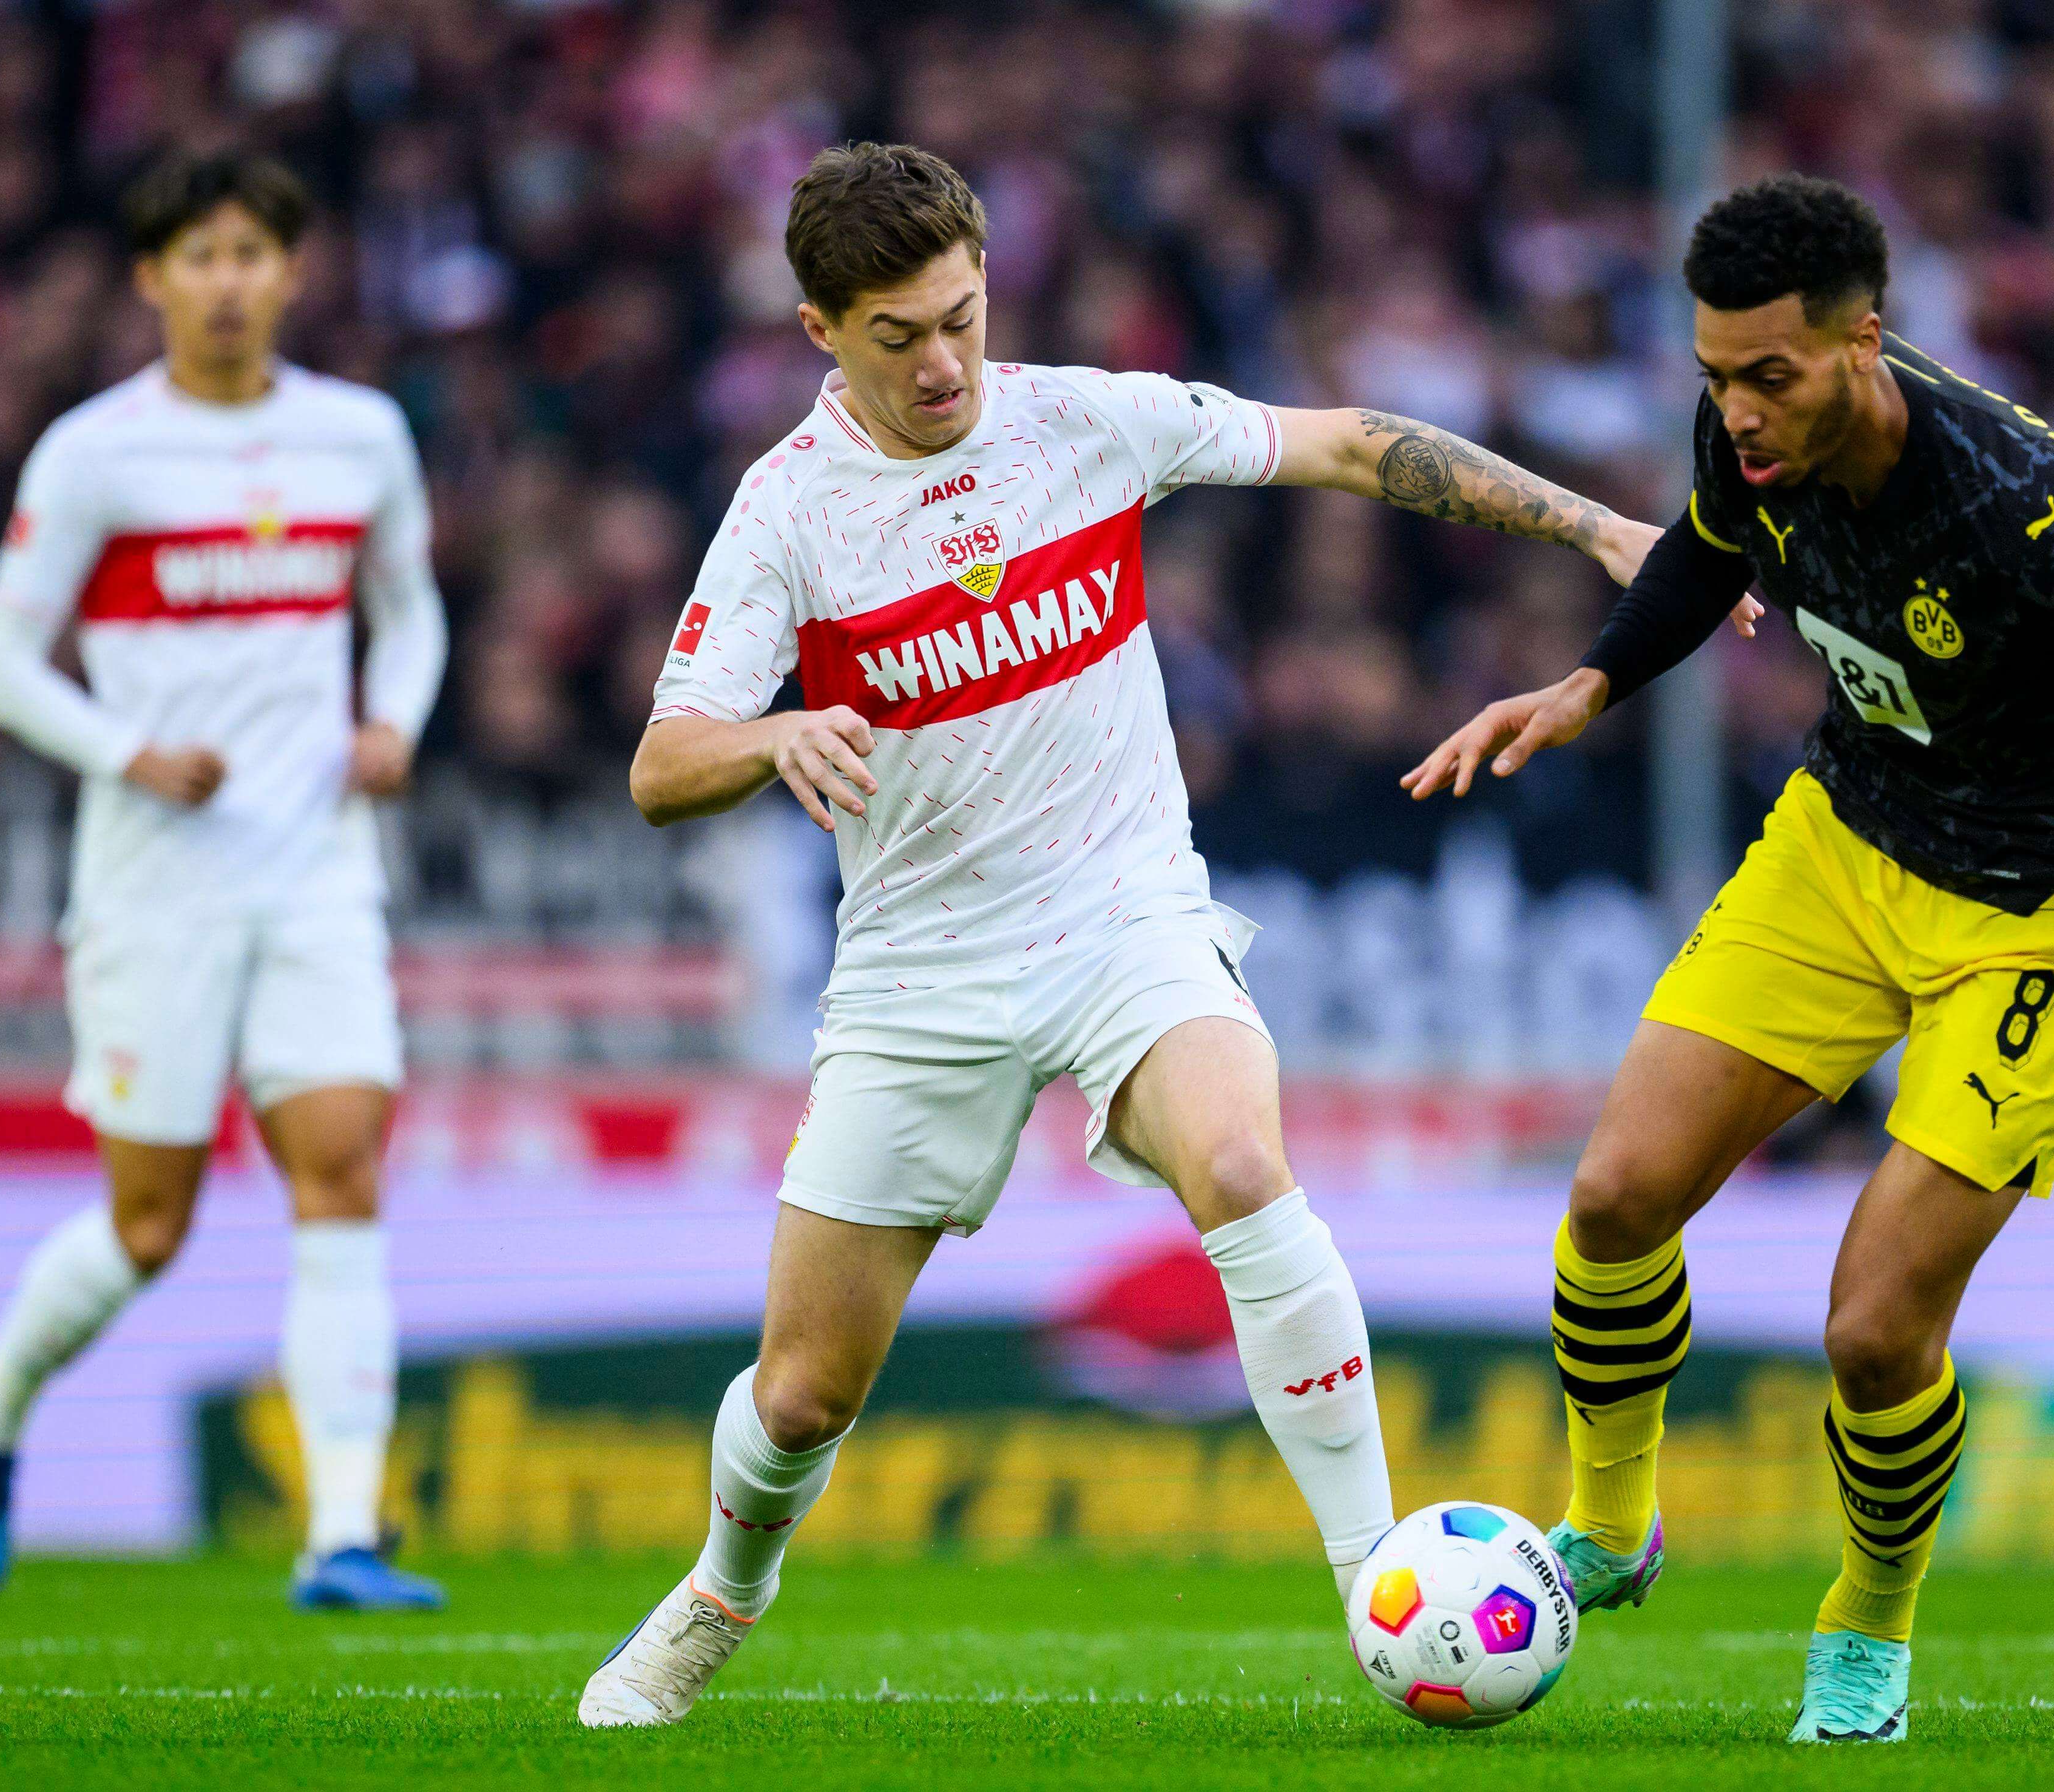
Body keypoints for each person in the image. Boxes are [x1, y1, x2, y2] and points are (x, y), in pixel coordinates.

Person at [578, 141, 1695, 1727]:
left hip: (1124, 914)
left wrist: (1596, 529)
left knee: (1239, 1162)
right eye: (898, 337)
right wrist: (773, 734)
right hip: (920, 971)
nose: (944, 363)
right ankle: (719, 1590)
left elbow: (1350, 444)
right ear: (820, 329)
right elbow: (660, 765)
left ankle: (1375, 1579)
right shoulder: (788, 513)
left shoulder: (1084, 421)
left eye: (961, 317)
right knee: (804, 1392)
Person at [1406, 174, 2054, 1743]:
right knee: (1614, 1197)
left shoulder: (2032, 513)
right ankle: (1610, 1528)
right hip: (1847, 840)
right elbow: (1709, 547)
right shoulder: (1746, 429)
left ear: (1863, 341)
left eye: (1769, 376)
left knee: (1875, 1330)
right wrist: (1588, 686)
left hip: (2043, 916)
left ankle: (1866, 1627)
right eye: (1714, 376)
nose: (1737, 412)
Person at [0, 152, 448, 1609]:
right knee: (149, 1226)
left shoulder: (358, 435)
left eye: (252, 253)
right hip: (156, 884)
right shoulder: (97, 454)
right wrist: (126, 752)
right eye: (201, 256)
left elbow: (410, 610)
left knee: (342, 1166)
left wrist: (393, 721)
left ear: (291, 272)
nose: (229, 281)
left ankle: (343, 1535)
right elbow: (1, 654)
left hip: (315, 868)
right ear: (153, 278)